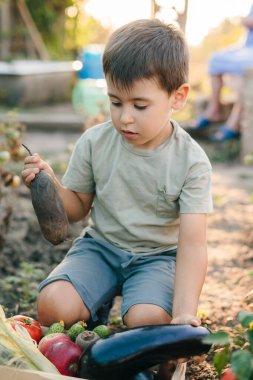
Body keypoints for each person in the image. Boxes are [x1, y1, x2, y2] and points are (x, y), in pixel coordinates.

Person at [22, 19, 213, 379]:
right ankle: (93, 319)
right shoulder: (95, 143)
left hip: (158, 257)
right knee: (53, 307)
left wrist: (184, 313)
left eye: (140, 105)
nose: (125, 117)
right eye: (115, 101)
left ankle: (131, 317)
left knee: (150, 322)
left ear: (178, 97)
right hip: (102, 246)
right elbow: (77, 208)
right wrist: (49, 182)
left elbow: (192, 244)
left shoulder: (191, 162)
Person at [189, 3, 253, 142]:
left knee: (246, 72)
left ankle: (234, 123)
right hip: (245, 48)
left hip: (250, 56)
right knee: (215, 59)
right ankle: (214, 110)